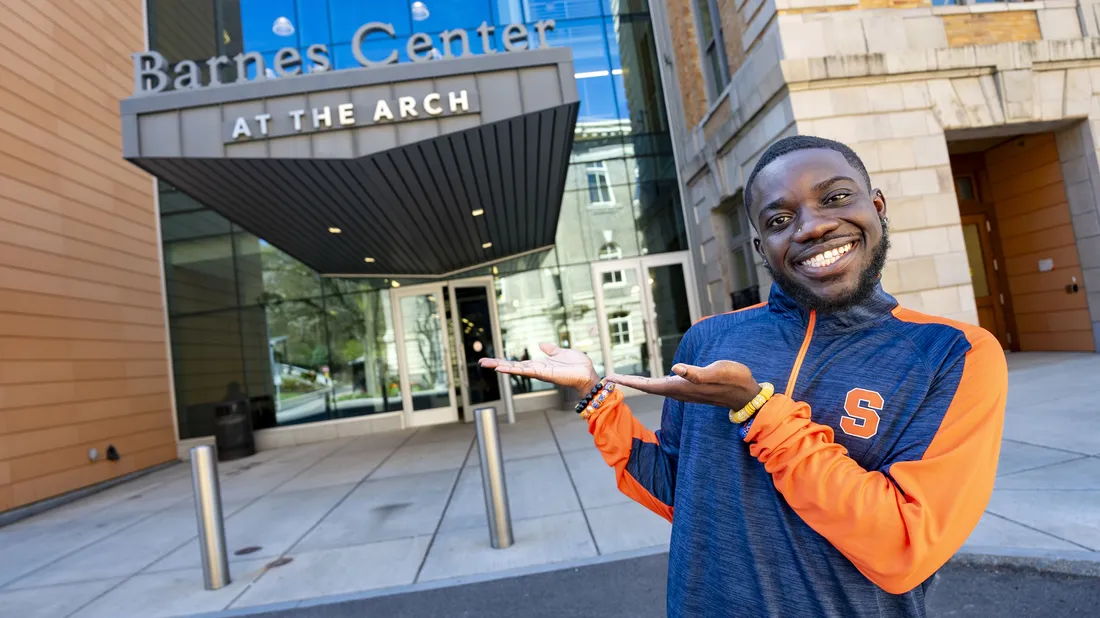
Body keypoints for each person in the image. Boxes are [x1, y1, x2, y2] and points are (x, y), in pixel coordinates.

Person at [480, 135, 1007, 618]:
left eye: (835, 197)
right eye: (778, 220)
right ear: (761, 250)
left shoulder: (953, 354)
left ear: (877, 206)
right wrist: (596, 397)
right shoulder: (709, 340)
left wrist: (759, 409)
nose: (811, 226)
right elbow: (677, 493)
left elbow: (903, 546)